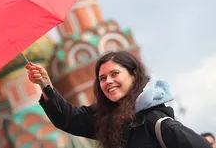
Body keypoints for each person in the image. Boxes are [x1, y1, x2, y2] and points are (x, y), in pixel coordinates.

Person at [27, 51, 211, 148]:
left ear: (134, 75)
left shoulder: (159, 124)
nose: (108, 82)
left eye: (115, 74)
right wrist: (45, 84)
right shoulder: (108, 120)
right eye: (102, 78)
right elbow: (69, 118)